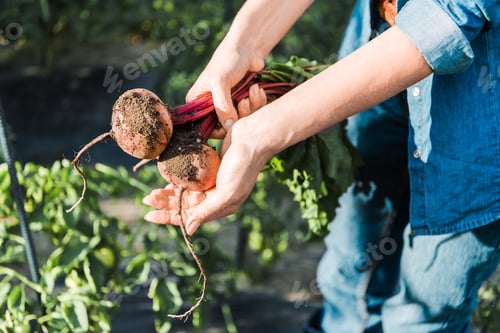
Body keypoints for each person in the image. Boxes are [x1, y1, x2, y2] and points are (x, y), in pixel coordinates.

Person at [142, 0, 500, 332]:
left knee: (422, 312)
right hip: (378, 40)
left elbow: (448, 16)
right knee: (348, 270)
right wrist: (242, 45)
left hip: (480, 104)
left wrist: (260, 136)